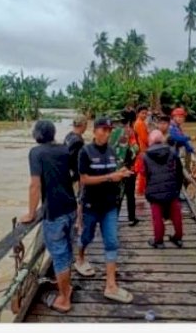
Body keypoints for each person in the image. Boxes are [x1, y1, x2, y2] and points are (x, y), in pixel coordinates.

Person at [20, 120, 78, 313]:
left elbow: (35, 185)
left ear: (37, 135)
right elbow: (73, 175)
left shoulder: (36, 153)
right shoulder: (63, 149)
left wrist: (30, 213)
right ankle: (67, 287)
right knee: (67, 250)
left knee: (59, 256)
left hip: (54, 212)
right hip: (71, 207)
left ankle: (63, 299)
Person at [75, 117, 134, 304]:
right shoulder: (85, 152)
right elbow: (84, 180)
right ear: (94, 131)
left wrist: (121, 173)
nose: (107, 133)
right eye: (103, 129)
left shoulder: (111, 151)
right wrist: (110, 177)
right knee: (86, 237)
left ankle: (111, 285)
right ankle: (80, 258)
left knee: (112, 242)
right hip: (91, 206)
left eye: (109, 130)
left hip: (110, 205)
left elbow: (112, 172)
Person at [137, 130, 185, 249]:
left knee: (157, 216)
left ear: (150, 141)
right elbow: (179, 169)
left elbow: (143, 172)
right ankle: (178, 238)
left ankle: (159, 241)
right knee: (176, 214)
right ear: (162, 139)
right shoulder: (172, 151)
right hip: (171, 187)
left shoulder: (146, 155)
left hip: (154, 189)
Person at [109, 109, 140, 226]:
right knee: (130, 194)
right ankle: (131, 218)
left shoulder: (110, 132)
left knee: (116, 196)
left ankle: (112, 221)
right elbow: (135, 149)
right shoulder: (129, 132)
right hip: (127, 168)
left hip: (113, 169)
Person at [64, 115, 87, 233]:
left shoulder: (68, 136)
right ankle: (79, 223)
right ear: (82, 125)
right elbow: (77, 160)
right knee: (80, 198)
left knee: (76, 198)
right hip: (77, 175)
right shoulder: (78, 141)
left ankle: (75, 221)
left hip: (68, 174)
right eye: (86, 125)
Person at [134, 106, 150, 196]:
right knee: (142, 171)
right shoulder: (140, 124)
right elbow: (145, 139)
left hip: (141, 149)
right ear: (138, 114)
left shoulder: (139, 123)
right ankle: (140, 190)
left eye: (146, 113)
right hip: (142, 150)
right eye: (142, 113)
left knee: (141, 170)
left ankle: (141, 189)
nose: (144, 115)